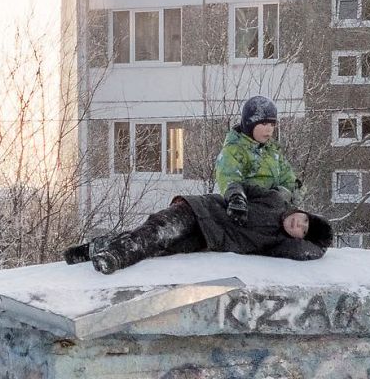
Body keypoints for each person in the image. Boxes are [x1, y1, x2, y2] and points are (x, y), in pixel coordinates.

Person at [63, 184, 332, 275]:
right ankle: (114, 258)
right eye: (305, 219)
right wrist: (237, 196)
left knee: (157, 248)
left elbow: (308, 253)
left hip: (205, 239)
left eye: (304, 230)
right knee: (158, 231)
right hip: (199, 210)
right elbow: (239, 184)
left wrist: (321, 242)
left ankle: (95, 248)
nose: (300, 225)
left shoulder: (278, 244)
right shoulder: (274, 200)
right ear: (301, 210)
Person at [214, 95, 303, 226]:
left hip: (275, 212)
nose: (269, 129)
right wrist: (236, 197)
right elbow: (229, 177)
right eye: (264, 123)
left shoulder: (272, 152)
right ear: (250, 123)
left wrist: (284, 195)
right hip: (248, 213)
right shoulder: (235, 150)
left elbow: (289, 179)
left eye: (272, 124)